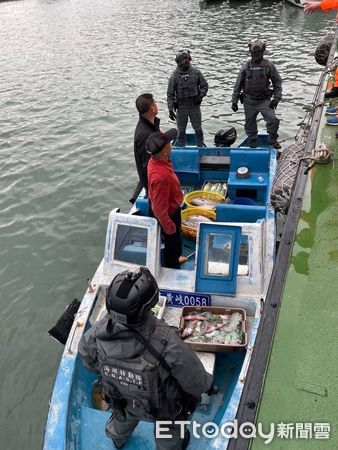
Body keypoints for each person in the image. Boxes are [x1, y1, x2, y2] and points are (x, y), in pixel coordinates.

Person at [79, 266, 213, 450]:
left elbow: (87, 359)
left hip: (121, 398)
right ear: (150, 304)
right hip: (159, 406)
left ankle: (117, 440)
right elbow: (194, 378)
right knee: (169, 426)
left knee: (122, 416)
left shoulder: (97, 332)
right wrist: (207, 385)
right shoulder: (167, 340)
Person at [231, 39, 283, 149]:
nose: (256, 55)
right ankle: (253, 142)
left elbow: (277, 82)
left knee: (273, 120)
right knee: (250, 125)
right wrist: (234, 101)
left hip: (264, 101)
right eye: (254, 53)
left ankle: (272, 140)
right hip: (249, 101)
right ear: (251, 53)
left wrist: (276, 98)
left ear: (263, 52)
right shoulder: (246, 67)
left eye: (259, 53)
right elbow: (238, 84)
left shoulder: (269, 65)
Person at [146, 129, 185, 269]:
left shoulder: (154, 160)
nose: (170, 143)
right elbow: (159, 209)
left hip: (167, 205)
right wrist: (170, 227)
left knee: (173, 241)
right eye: (168, 142)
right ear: (164, 152)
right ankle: (173, 264)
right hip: (169, 214)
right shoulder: (161, 177)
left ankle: (175, 257)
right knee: (172, 243)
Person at [167, 49, 208, 147]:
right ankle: (181, 150)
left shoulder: (196, 72)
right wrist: (170, 109)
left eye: (187, 60)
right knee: (181, 133)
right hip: (181, 108)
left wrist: (200, 96)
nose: (185, 62)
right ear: (178, 62)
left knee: (198, 130)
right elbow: (170, 94)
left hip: (194, 106)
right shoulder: (174, 76)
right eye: (183, 60)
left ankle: (200, 148)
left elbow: (205, 86)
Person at [129, 93, 160, 204]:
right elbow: (147, 164)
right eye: (155, 103)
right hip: (153, 181)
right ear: (152, 108)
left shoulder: (151, 124)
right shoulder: (144, 134)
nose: (156, 105)